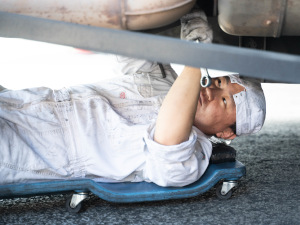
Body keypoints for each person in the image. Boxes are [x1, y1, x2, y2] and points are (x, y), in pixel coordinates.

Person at [0, 9, 266, 187]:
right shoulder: (165, 80)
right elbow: (130, 43)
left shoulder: (192, 156)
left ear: (226, 133)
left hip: (28, 147)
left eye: (224, 101)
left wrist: (194, 58)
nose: (210, 91)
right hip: (20, 102)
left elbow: (168, 139)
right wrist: (171, 15)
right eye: (218, 83)